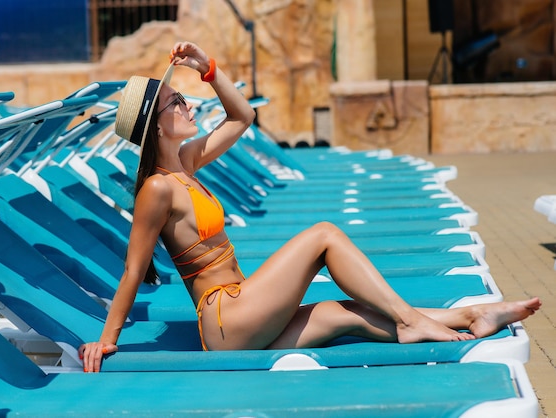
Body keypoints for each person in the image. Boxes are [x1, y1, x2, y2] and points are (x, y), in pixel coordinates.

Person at [80, 41, 541, 372]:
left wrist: (207, 68)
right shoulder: (157, 190)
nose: (186, 103)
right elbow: (132, 271)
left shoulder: (186, 163)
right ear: (155, 127)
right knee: (323, 235)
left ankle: (473, 315)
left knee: (344, 314)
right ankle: (412, 321)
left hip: (245, 311)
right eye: (174, 102)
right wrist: (106, 341)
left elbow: (243, 116)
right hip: (226, 323)